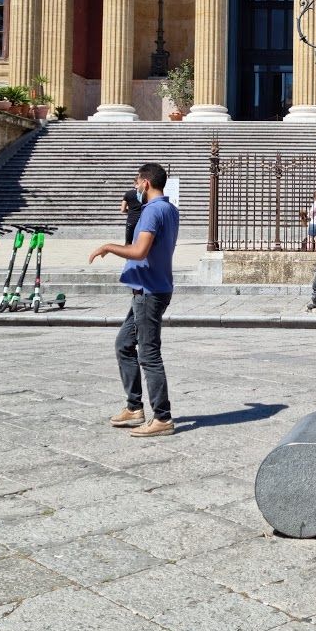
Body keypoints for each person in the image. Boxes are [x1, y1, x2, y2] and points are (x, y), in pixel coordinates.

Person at [90, 162, 181, 438]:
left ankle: (162, 417)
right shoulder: (169, 208)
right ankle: (134, 407)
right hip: (150, 288)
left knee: (149, 353)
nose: (134, 188)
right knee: (124, 345)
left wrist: (108, 247)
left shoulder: (153, 211)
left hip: (149, 291)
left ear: (145, 183)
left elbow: (140, 251)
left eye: (136, 183)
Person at [120, 176, 145, 244]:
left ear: (134, 183)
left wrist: (130, 210)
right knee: (141, 243)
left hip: (131, 221)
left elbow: (122, 209)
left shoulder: (128, 193)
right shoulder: (145, 194)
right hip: (142, 221)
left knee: (128, 243)